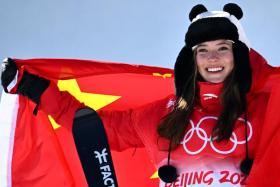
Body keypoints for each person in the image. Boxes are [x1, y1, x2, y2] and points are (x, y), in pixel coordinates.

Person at [1, 3, 280, 187]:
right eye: (202, 50)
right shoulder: (162, 115)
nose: (212, 58)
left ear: (239, 55)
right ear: (190, 60)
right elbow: (93, 128)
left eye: (223, 48)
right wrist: (34, 87)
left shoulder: (266, 109)